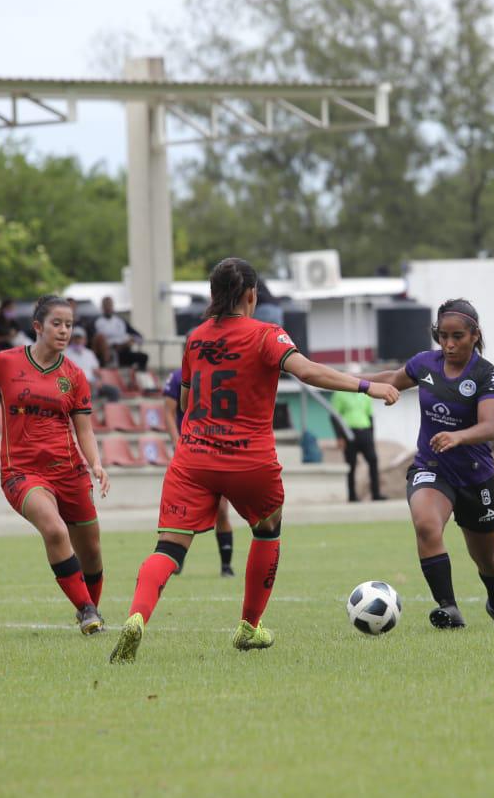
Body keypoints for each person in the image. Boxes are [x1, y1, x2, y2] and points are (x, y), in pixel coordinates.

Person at [109, 257, 400, 662]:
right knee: (267, 530)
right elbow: (308, 372)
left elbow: (185, 402)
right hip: (249, 460)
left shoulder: (194, 339)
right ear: (252, 295)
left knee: (169, 548)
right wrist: (367, 385)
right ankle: (249, 627)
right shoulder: (267, 334)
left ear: (213, 295)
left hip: (194, 457)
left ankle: (137, 617)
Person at [0, 295, 110, 635]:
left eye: (69, 325)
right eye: (56, 324)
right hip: (22, 472)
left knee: (92, 551)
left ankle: (92, 610)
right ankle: (86, 611)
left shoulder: (74, 375)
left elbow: (83, 429)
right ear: (38, 327)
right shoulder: (5, 363)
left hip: (69, 471)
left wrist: (96, 463)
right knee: (55, 531)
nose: (64, 331)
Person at [356, 298, 494, 628]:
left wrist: (458, 436)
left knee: (488, 559)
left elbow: (490, 426)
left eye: (457, 336)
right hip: (432, 467)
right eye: (442, 336)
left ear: (474, 335)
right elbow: (392, 378)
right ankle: (449, 608)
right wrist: (351, 381)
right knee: (426, 525)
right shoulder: (425, 364)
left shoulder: (486, 374)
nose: (449, 344)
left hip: (475, 477)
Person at [161, 366, 234, 576]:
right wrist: (178, 443)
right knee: (182, 510)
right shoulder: (177, 376)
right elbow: (169, 410)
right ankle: (176, 558)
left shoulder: (222, 374)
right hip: (190, 450)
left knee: (221, 509)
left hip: (215, 450)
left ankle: (226, 566)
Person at [330, 385, 386, 502]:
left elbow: (370, 416)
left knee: (373, 460)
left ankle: (376, 494)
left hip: (364, 431)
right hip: (349, 433)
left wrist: (371, 435)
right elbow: (334, 416)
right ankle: (352, 496)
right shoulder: (340, 393)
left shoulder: (365, 394)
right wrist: (339, 437)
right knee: (351, 465)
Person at [92, 296, 149, 370]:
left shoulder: (120, 321)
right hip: (109, 351)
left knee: (143, 357)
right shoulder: (97, 322)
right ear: (102, 307)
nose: (108, 307)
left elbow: (139, 337)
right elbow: (95, 340)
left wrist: (133, 340)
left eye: (110, 305)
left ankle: (138, 377)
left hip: (124, 350)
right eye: (106, 305)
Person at [65, 327, 120, 403]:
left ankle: (110, 412)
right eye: (76, 338)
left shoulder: (89, 353)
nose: (78, 341)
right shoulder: (66, 353)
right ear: (71, 339)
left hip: (92, 384)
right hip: (76, 385)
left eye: (80, 338)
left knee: (114, 391)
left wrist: (99, 381)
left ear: (85, 340)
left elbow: (96, 371)